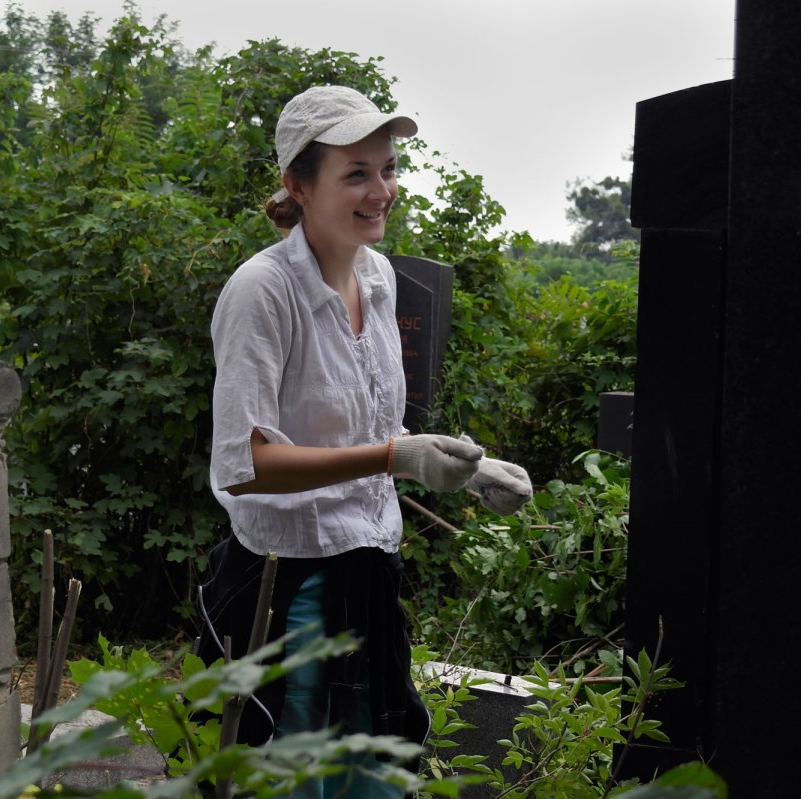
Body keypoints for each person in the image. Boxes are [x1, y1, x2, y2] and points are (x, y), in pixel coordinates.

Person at [194, 85, 533, 798]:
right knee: (288, 781)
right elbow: (246, 463)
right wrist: (391, 458)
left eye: (386, 168)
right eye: (356, 173)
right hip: (290, 586)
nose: (381, 190)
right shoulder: (262, 292)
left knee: (374, 778)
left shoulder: (377, 276)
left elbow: (372, 424)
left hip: (368, 573)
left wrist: (466, 469)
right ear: (297, 184)